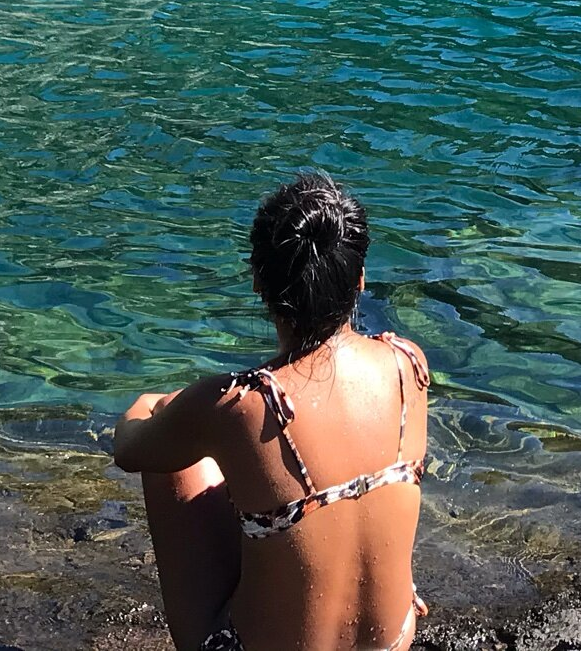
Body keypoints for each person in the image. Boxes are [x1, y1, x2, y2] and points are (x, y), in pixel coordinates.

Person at [114, 173, 431, 651]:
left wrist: (157, 405)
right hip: (394, 640)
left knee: (178, 456)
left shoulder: (242, 405)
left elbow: (131, 450)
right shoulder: (408, 364)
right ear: (359, 279)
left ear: (259, 281)